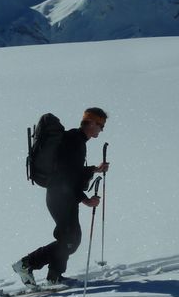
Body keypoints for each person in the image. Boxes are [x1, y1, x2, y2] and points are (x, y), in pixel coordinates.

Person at [13, 107, 110, 287]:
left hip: (59, 195)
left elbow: (71, 172)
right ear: (91, 122)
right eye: (101, 125)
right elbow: (68, 178)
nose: (101, 129)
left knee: (69, 239)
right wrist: (86, 200)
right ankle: (26, 264)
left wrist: (94, 169)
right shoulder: (75, 142)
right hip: (61, 196)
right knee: (71, 240)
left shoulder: (75, 139)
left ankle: (54, 276)